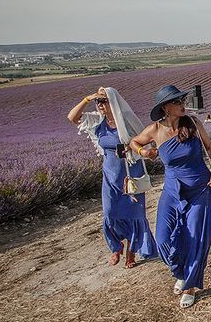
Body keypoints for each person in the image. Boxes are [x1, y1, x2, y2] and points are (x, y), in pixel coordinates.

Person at [130, 85, 211, 308]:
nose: (182, 104)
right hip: (172, 190)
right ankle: (181, 272)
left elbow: (210, 147)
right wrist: (144, 152)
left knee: (196, 237)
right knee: (162, 238)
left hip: (200, 188)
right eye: (177, 101)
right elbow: (134, 142)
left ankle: (189, 285)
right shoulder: (154, 130)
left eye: (182, 100)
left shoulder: (193, 124)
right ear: (165, 107)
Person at [67, 87, 157, 269]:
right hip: (110, 175)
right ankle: (116, 247)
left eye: (104, 101)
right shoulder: (97, 120)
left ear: (113, 102)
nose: (100, 105)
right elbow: (72, 118)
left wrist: (136, 149)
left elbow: (145, 139)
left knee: (134, 214)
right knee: (110, 213)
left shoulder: (127, 120)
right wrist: (87, 99)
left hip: (130, 175)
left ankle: (131, 252)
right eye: (98, 101)